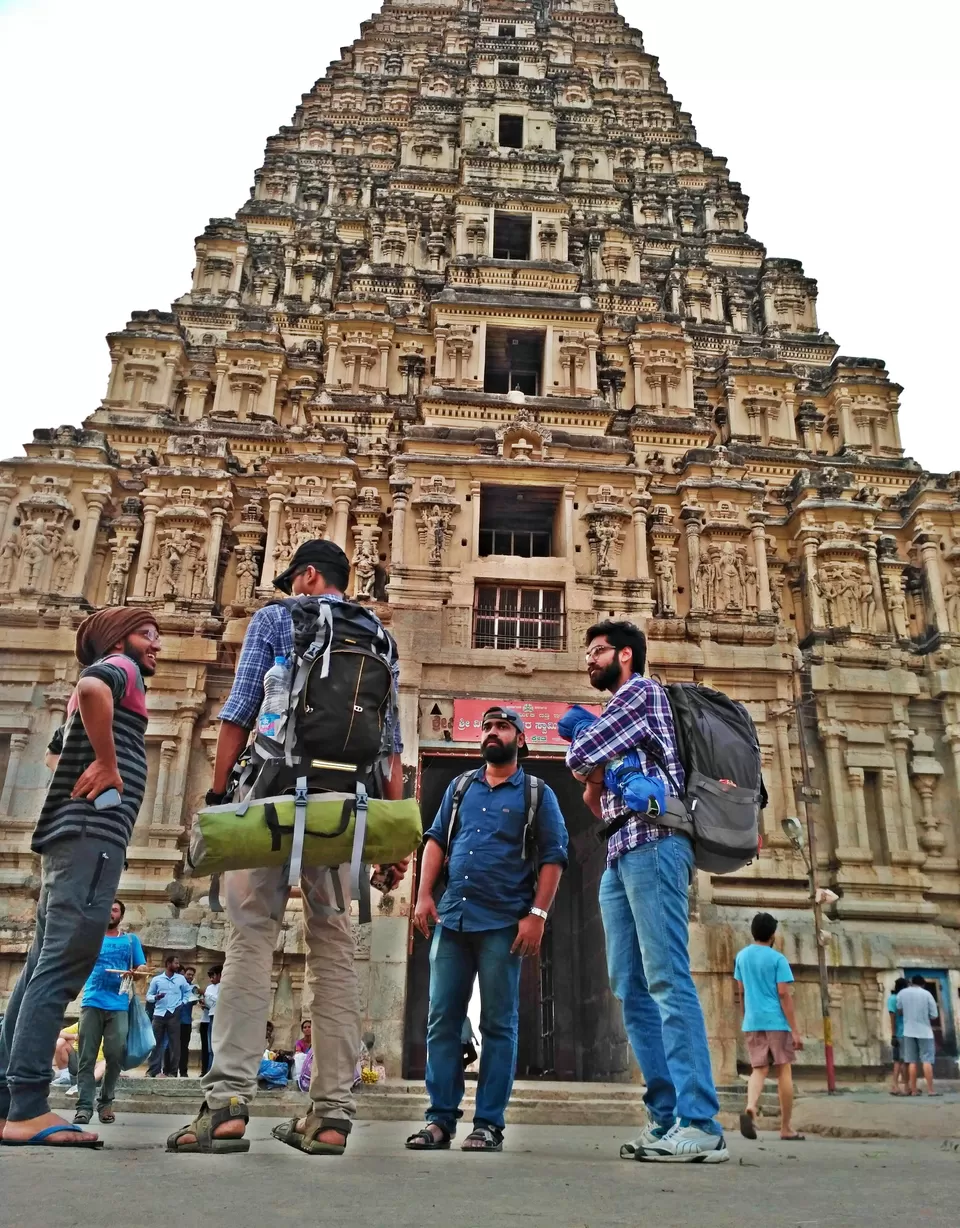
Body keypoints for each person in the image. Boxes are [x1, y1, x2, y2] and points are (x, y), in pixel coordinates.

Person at [168, 540, 406, 1155]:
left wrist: (220, 793)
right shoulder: (379, 636)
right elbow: (391, 746)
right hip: (343, 807)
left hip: (272, 792)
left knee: (250, 935)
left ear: (305, 576)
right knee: (334, 945)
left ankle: (225, 1105)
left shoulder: (278, 618)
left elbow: (241, 710)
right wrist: (389, 829)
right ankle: (331, 1113)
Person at [564, 620, 728, 1163]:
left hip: (654, 843)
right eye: (587, 651)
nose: (589, 659)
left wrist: (587, 741)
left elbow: (579, 758)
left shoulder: (638, 694)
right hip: (619, 850)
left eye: (598, 650)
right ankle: (664, 1117)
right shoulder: (620, 714)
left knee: (665, 978)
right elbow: (594, 799)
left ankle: (700, 1121)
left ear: (627, 656)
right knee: (631, 986)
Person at [0, 607, 160, 1149]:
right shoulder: (121, 668)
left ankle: (9, 1101)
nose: (154, 646)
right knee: (62, 967)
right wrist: (111, 765)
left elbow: (52, 757)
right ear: (119, 640)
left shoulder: (84, 693)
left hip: (67, 837)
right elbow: (96, 685)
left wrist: (93, 757)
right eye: (147, 635)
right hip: (92, 840)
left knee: (39, 969)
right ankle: (27, 1105)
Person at [406, 707, 568, 1154]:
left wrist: (537, 915)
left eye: (501, 727)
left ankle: (488, 1124)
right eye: (487, 727)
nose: (491, 733)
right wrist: (423, 895)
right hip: (453, 920)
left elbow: (554, 856)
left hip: (504, 924)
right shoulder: (460, 788)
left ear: (520, 739)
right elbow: (437, 840)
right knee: (442, 1020)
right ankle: (439, 1120)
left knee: (498, 1023)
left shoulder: (538, 794)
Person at [74, 898, 148, 1125]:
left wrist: (138, 972)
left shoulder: (130, 940)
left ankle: (106, 1102)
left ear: (121, 916)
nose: (110, 913)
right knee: (86, 1057)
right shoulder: (91, 939)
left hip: (118, 1004)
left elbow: (141, 967)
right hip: (92, 1002)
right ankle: (84, 1106)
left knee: (115, 1054)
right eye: (107, 909)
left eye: (114, 910)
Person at [734, 913, 804, 1141]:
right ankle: (785, 1128)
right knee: (783, 1069)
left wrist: (747, 1018)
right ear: (773, 934)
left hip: (753, 1020)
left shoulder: (741, 957)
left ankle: (751, 1106)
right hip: (776, 1020)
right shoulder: (778, 959)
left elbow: (741, 991)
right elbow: (783, 993)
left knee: (758, 1069)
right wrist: (794, 1029)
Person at [146, 956, 191, 1078]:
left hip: (174, 1013)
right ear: (168, 964)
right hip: (159, 1014)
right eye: (176, 963)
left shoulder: (181, 979)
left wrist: (183, 1002)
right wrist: (156, 997)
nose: (178, 965)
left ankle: (172, 1072)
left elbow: (188, 992)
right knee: (155, 1043)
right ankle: (153, 1070)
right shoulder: (157, 980)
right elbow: (148, 996)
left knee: (174, 1044)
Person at [897, 975, 939, 1096]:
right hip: (925, 1032)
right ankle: (931, 1090)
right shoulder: (927, 994)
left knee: (911, 1061)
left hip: (908, 1031)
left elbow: (899, 1011)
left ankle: (914, 1090)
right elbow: (934, 1015)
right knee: (927, 1061)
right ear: (923, 984)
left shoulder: (902, 993)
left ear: (911, 983)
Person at [178, 968, 201, 1077]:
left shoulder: (193, 988)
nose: (190, 976)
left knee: (184, 1047)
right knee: (171, 1046)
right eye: (188, 974)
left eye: (192, 975)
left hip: (186, 1021)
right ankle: (169, 1070)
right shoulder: (178, 986)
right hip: (175, 1021)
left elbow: (195, 1001)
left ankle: (183, 1071)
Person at [888, 976, 909, 1095]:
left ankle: (895, 1085)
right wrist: (893, 1035)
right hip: (901, 1033)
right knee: (904, 1060)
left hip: (901, 1033)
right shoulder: (895, 999)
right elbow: (892, 1017)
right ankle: (905, 1086)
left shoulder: (894, 998)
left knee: (898, 1061)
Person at [199, 966, 221, 1077]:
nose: (212, 979)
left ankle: (215, 1071)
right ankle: (208, 1070)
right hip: (211, 1015)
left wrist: (206, 994)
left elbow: (220, 1000)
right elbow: (210, 1003)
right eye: (210, 977)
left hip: (220, 1017)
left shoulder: (223, 986)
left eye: (213, 976)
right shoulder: (209, 988)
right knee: (209, 1046)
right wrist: (204, 1003)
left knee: (216, 1045)